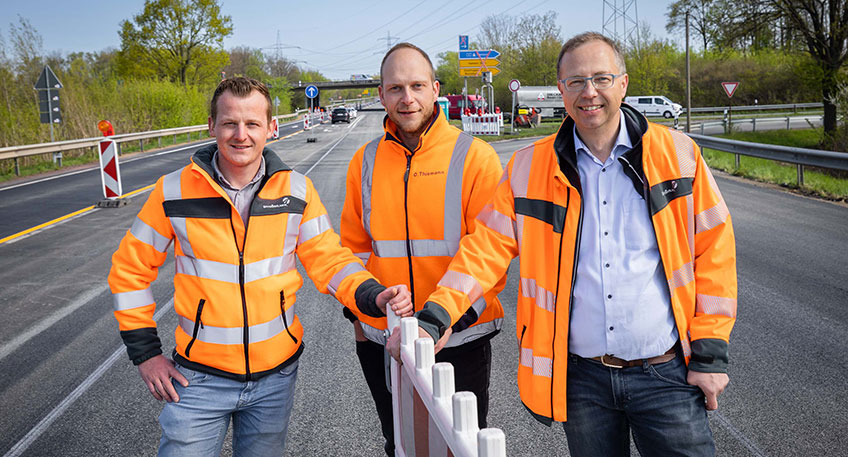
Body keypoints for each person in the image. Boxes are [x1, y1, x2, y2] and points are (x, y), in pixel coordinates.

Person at [391, 32, 737, 456]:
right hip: (582, 382)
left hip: (667, 374)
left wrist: (710, 354)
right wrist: (436, 317)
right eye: (576, 81)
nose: (589, 92)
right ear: (561, 90)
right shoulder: (528, 167)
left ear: (623, 84)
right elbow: (484, 251)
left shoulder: (678, 154)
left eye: (601, 78)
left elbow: (715, 254)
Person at [108, 77, 412, 457]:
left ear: (271, 127)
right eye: (229, 123)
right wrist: (146, 355)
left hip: (275, 380)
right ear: (211, 126)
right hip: (197, 379)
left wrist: (372, 295)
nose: (241, 135)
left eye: (252, 123)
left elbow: (329, 259)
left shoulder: (297, 191)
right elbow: (129, 270)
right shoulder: (172, 192)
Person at [339, 42, 506, 456]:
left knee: (460, 447)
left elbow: (489, 253)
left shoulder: (475, 157)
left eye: (416, 85)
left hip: (458, 338)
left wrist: (447, 319)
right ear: (381, 95)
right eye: (396, 88)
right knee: (399, 444)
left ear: (435, 89)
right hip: (385, 340)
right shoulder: (365, 161)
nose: (407, 98)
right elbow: (353, 251)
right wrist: (360, 318)